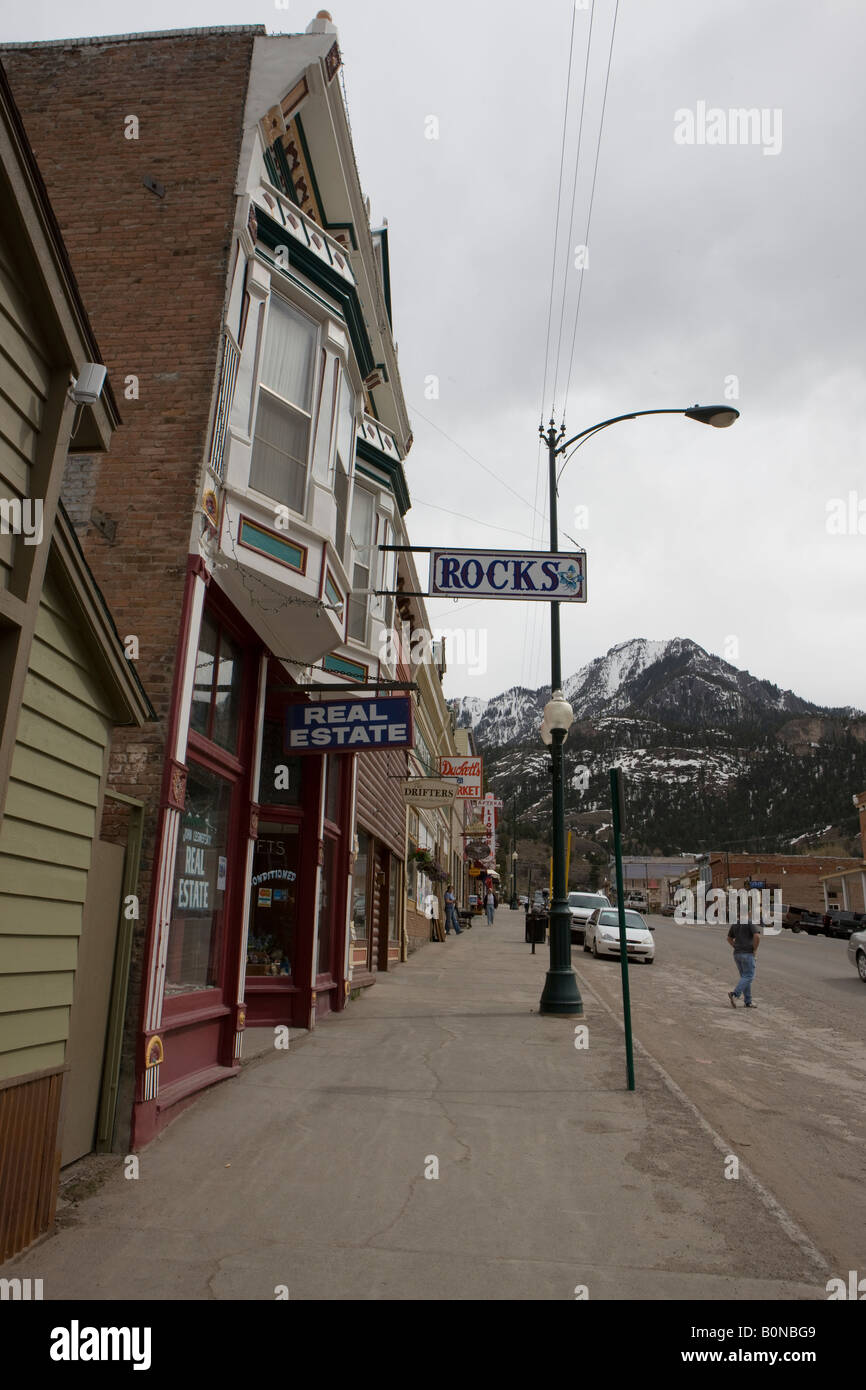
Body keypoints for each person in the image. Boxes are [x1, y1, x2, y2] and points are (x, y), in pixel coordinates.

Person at [727, 912, 760, 1008]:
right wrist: (755, 949)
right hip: (747, 954)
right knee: (749, 976)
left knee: (745, 977)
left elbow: (729, 938)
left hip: (737, 954)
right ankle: (735, 994)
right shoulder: (749, 922)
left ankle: (748, 1001)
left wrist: (736, 946)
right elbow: (757, 936)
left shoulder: (735, 924)